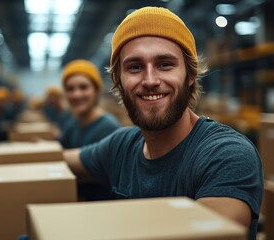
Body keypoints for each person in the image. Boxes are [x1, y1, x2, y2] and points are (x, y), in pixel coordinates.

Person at [63, 7, 263, 239]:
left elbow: (214, 234)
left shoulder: (226, 155)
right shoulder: (121, 147)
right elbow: (62, 161)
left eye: (165, 64)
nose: (150, 80)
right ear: (118, 80)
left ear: (190, 75)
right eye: (135, 67)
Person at [60, 59, 121, 201]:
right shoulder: (73, 124)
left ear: (96, 90)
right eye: (70, 89)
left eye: (83, 87)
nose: (76, 94)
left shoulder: (108, 128)